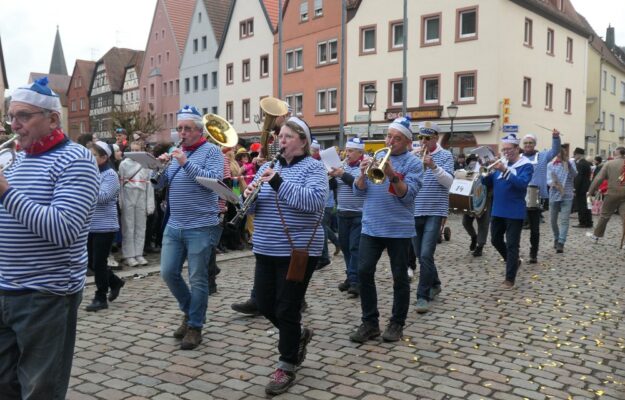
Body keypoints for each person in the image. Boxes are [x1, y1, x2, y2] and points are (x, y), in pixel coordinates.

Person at [0, 77, 99, 399]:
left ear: (53, 119)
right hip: (6, 288)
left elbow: (63, 229)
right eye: (11, 116)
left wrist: (4, 191)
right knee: (5, 385)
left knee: (40, 390)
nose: (14, 125)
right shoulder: (18, 160)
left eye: (24, 116)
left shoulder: (76, 160)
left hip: (45, 294)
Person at [243, 116, 327, 395]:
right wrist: (248, 197)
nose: (281, 140)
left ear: (303, 141)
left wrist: (278, 183)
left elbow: (314, 203)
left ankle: (286, 364)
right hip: (266, 246)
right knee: (265, 304)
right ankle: (299, 335)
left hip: (298, 250)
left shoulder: (315, 168)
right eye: (280, 136)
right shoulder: (270, 166)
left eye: (288, 136)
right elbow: (252, 208)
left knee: (286, 307)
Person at [153, 105, 224, 350]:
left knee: (198, 278)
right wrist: (158, 168)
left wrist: (185, 163)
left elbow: (213, 182)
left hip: (201, 225)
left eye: (187, 128)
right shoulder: (177, 152)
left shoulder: (212, 151)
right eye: (179, 128)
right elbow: (162, 185)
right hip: (175, 224)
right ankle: (189, 310)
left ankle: (195, 325)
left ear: (199, 130)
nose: (181, 133)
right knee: (168, 272)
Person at [349, 117, 423, 344]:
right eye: (389, 136)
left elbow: (407, 196)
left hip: (398, 230)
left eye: (397, 138)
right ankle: (370, 323)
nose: (391, 142)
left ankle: (397, 323)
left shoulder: (414, 163)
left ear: (408, 142)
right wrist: (361, 175)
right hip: (371, 226)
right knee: (363, 272)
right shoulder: (376, 158)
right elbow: (358, 193)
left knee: (400, 277)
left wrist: (391, 174)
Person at [482, 133, 533, 290]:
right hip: (497, 209)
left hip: (514, 211)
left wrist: (505, 170)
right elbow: (487, 182)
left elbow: (522, 184)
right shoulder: (500, 163)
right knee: (495, 240)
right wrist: (486, 170)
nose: (506, 152)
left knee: (512, 245)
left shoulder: (526, 165)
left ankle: (509, 278)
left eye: (509, 149)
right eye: (504, 149)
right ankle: (514, 261)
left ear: (517, 149)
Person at [412, 122, 454, 314]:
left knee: (426, 254)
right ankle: (435, 283)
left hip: (435, 211)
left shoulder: (445, 156)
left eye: (427, 138)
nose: (423, 141)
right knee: (421, 255)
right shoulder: (413, 154)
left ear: (436, 138)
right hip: (414, 210)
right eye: (421, 137)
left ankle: (423, 295)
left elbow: (450, 182)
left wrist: (433, 166)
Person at [85, 141, 125, 312]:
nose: (89, 158)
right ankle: (115, 282)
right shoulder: (89, 173)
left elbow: (104, 196)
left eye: (93, 155)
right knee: (91, 262)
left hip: (105, 225)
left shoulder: (110, 175)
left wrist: (84, 186)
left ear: (104, 157)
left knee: (99, 262)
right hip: (89, 225)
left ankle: (101, 296)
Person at [328, 137, 366, 297]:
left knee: (355, 248)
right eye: (347, 150)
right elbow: (333, 187)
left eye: (351, 151)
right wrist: (329, 177)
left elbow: (358, 184)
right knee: (345, 247)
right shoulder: (342, 166)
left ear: (360, 153)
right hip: (342, 212)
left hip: (358, 213)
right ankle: (351, 278)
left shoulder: (363, 167)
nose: (347, 154)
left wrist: (342, 174)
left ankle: (355, 282)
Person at [520, 131, 561, 263]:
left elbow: (555, 150)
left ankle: (533, 253)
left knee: (534, 228)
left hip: (536, 196)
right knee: (515, 226)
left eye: (530, 143)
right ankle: (514, 251)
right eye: (525, 143)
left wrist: (555, 137)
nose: (528, 145)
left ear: (534, 144)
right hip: (520, 196)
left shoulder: (542, 156)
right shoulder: (518, 157)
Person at [119, 140, 155, 267]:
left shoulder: (145, 165)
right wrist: (121, 200)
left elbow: (149, 186)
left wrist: (150, 204)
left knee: (141, 226)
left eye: (137, 150)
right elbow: (121, 185)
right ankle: (128, 254)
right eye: (132, 150)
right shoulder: (124, 164)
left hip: (141, 195)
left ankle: (138, 253)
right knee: (128, 226)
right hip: (129, 194)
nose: (135, 153)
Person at [586, 146, 625, 245]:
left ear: (616, 153)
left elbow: (598, 179)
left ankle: (596, 236)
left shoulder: (609, 164)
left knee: (604, 216)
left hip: (612, 193)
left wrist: (590, 192)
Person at [546, 145, 576, 253]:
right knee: (553, 220)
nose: (560, 154)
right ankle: (556, 237)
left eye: (562, 152)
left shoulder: (569, 164)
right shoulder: (550, 165)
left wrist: (568, 164)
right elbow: (548, 179)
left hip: (567, 195)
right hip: (554, 194)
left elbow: (574, 174)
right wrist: (552, 183)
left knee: (564, 220)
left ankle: (561, 242)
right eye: (558, 152)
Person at [461, 154, 492, 257]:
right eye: (471, 160)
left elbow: (491, 183)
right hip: (470, 199)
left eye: (475, 160)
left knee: (483, 224)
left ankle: (480, 246)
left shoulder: (490, 167)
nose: (472, 162)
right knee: (466, 222)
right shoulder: (469, 167)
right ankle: (474, 236)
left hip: (484, 199)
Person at [573, 147, 593, 228]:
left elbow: (579, 177)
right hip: (587, 187)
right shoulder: (586, 163)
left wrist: (575, 188)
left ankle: (583, 222)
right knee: (587, 205)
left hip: (581, 189)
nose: (574, 156)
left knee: (582, 206)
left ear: (578, 154)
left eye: (574, 154)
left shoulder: (581, 164)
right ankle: (589, 222)